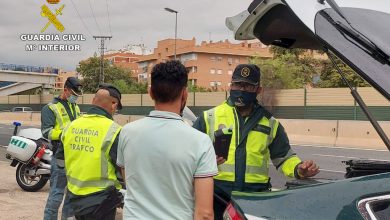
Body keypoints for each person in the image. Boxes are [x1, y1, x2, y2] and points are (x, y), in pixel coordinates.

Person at [193, 64, 320, 216]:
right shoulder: (209, 118)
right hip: (219, 197)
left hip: (256, 199)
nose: (241, 89)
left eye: (247, 86)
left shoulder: (270, 123)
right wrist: (205, 161)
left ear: (258, 90)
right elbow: (188, 156)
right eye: (237, 84)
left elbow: (284, 158)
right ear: (231, 85)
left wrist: (300, 169)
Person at [117, 60, 218, 220]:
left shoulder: (126, 132)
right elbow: (205, 214)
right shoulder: (200, 141)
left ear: (150, 93)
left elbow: (132, 181)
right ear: (185, 94)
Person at [56, 84, 124, 220]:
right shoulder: (114, 130)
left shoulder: (71, 126)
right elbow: (122, 168)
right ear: (114, 105)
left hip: (74, 197)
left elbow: (60, 160)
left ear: (93, 101)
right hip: (101, 201)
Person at [41, 77, 82, 220]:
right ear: (65, 90)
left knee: (71, 197)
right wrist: (66, 134)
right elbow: (46, 132)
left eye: (77, 96)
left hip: (75, 158)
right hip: (60, 157)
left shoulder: (75, 107)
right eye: (73, 95)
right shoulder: (50, 108)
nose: (75, 98)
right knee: (56, 195)